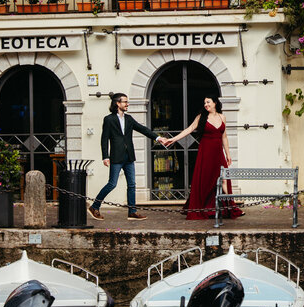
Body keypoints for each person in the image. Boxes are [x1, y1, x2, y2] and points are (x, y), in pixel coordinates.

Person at [163, 96, 242, 220]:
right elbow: (188, 130)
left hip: (218, 154)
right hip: (205, 154)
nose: (206, 104)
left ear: (215, 103)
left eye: (208, 102)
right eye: (204, 102)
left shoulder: (222, 117)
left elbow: (224, 137)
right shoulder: (201, 117)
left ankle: (231, 207)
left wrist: (228, 154)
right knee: (204, 181)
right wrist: (172, 139)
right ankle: (203, 208)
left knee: (224, 179)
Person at [92, 92, 165, 221]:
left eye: (127, 102)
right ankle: (94, 206)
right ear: (117, 103)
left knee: (132, 185)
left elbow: (143, 129)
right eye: (125, 102)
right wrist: (105, 156)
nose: (127, 104)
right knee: (112, 184)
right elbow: (104, 139)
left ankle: (132, 211)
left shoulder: (129, 118)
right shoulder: (109, 119)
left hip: (129, 157)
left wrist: (158, 138)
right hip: (116, 157)